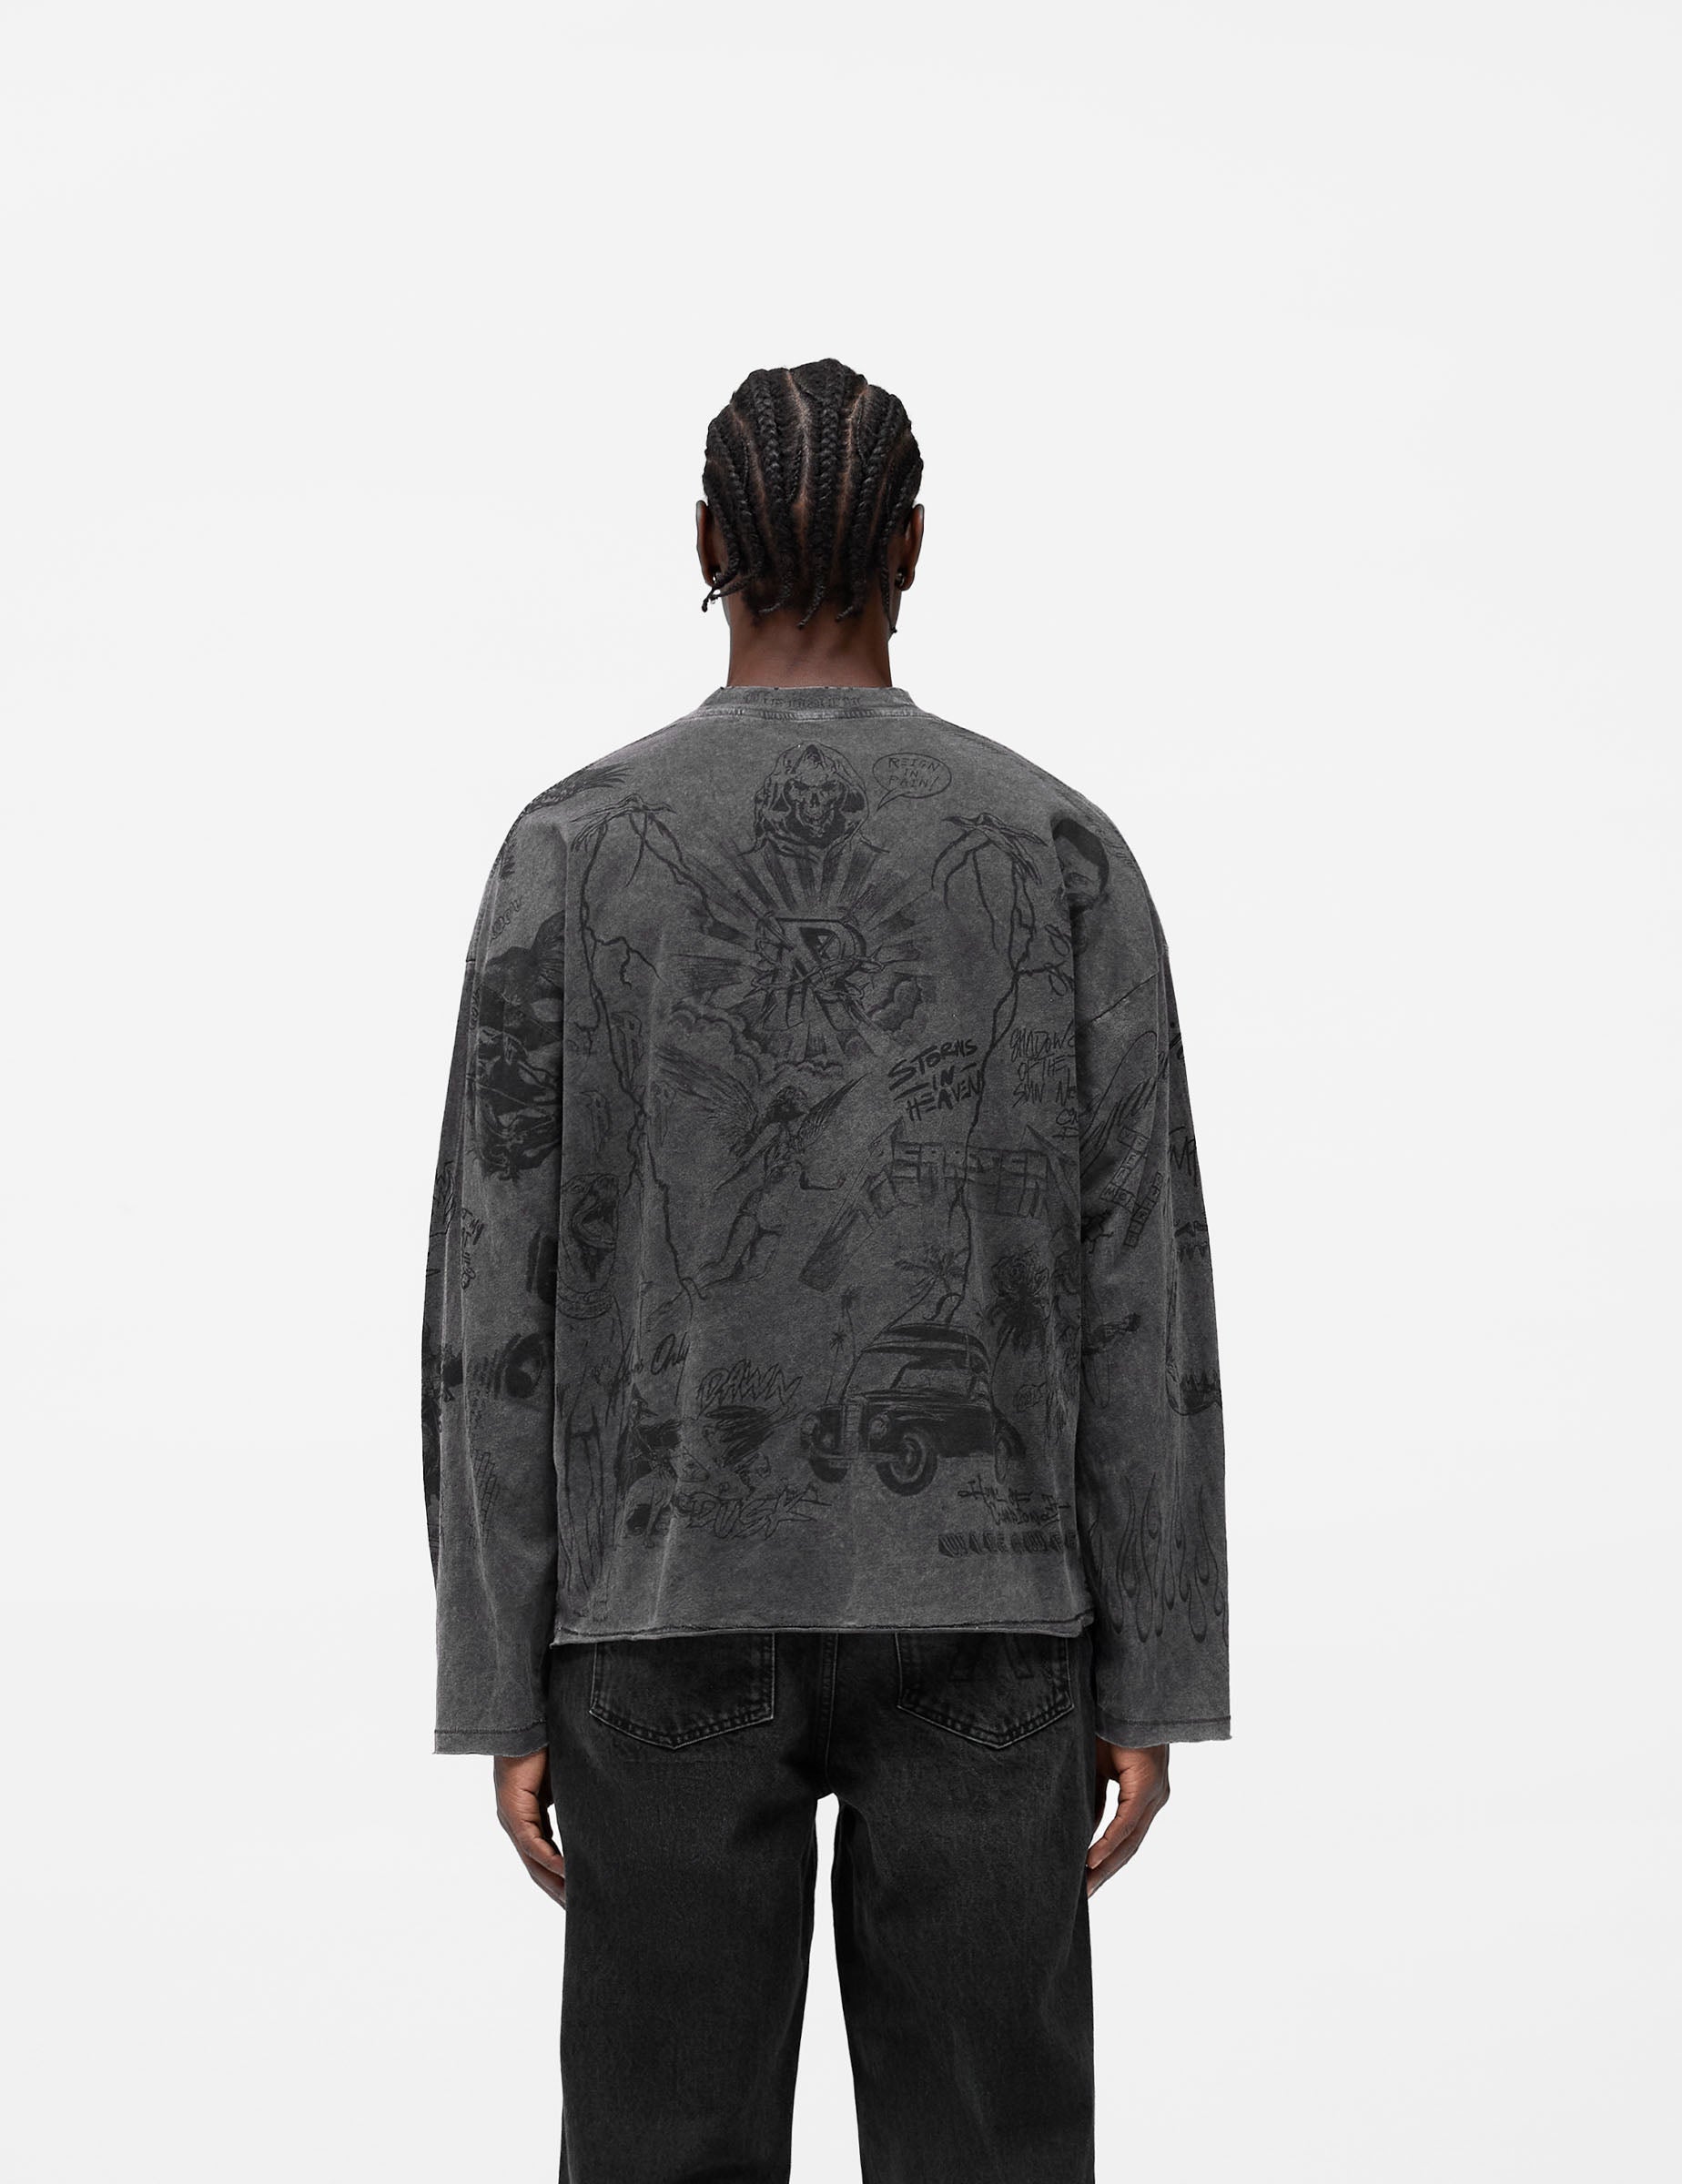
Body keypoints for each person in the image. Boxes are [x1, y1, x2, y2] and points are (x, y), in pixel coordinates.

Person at [421, 358, 1230, 2184]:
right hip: (993, 1606)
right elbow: (1142, 1277)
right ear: (914, 549)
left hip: (655, 1606)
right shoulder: (1055, 848)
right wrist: (1156, 1666)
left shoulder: (571, 850)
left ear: (704, 540)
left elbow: (490, 1288)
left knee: (658, 2151)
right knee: (991, 2157)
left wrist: (498, 1673)